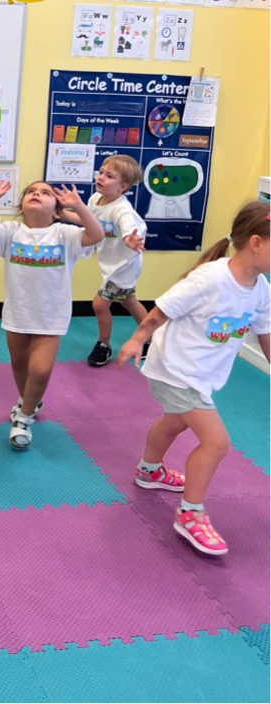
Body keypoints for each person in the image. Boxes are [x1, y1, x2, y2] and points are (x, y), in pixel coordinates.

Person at [117, 200, 270, 556]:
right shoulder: (211, 279)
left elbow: (266, 337)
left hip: (200, 374)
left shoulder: (261, 289)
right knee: (216, 443)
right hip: (176, 370)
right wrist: (137, 339)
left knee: (174, 422)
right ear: (256, 243)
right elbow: (162, 310)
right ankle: (190, 513)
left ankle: (149, 471)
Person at [0, 180, 104, 451]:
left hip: (51, 315)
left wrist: (79, 206)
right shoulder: (11, 231)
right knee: (19, 364)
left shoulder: (64, 234)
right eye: (31, 192)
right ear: (22, 207)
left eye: (45, 193)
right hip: (18, 312)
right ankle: (28, 401)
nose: (37, 194)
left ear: (56, 211)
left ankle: (23, 418)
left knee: (41, 370)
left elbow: (96, 234)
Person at [81, 154, 149, 367]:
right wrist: (61, 213)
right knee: (129, 302)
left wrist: (129, 239)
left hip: (124, 266)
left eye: (109, 176)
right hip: (112, 263)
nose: (101, 177)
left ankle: (104, 345)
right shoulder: (95, 199)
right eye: (101, 172)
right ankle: (151, 338)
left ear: (122, 187)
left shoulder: (122, 209)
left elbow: (128, 228)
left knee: (99, 304)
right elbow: (88, 221)